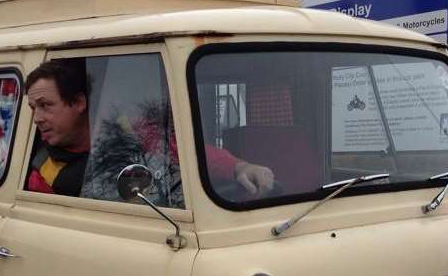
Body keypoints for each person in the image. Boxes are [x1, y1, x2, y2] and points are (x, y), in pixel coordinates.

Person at [24, 58, 275, 199]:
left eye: (46, 105)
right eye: (33, 108)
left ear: (79, 102)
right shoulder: (40, 173)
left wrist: (240, 167)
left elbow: (190, 155)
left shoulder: (133, 132)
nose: (37, 118)